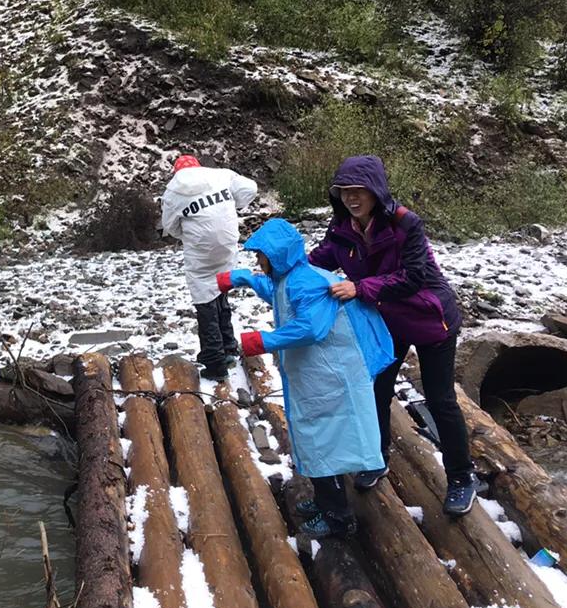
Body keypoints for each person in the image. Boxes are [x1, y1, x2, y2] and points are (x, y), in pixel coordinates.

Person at [308, 154, 475, 516]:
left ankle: (462, 477)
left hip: (432, 320)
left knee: (440, 399)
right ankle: (376, 458)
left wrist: (359, 287)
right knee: (377, 391)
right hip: (388, 323)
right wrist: (281, 263)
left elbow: (414, 276)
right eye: (344, 191)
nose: (352, 198)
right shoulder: (342, 227)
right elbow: (320, 259)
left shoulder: (405, 224)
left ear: (376, 191)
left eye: (359, 191)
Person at [220, 218, 394, 539]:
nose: (259, 262)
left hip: (331, 379)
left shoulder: (308, 283)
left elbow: (311, 328)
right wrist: (241, 278)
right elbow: (274, 291)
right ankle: (325, 503)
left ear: (278, 256)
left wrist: (260, 341)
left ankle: (338, 519)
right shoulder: (290, 278)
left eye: (262, 257)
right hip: (315, 377)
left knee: (326, 446)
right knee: (316, 443)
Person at [160, 154, 258, 380]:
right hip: (227, 243)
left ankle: (215, 363)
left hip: (200, 250)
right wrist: (233, 206)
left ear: (176, 171)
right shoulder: (221, 175)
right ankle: (229, 347)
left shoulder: (173, 190)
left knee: (205, 301)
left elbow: (170, 226)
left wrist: (187, 233)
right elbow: (250, 189)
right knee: (221, 290)